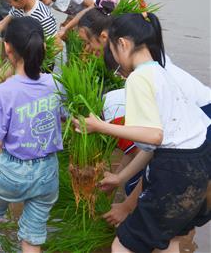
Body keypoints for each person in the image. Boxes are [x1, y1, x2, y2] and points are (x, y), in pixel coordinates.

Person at [73, 13, 210, 253]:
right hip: (201, 160)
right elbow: (155, 144)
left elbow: (154, 136)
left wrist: (100, 126)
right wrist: (119, 177)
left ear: (122, 44)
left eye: (113, 51)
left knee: (123, 245)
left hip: (176, 169)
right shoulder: (162, 71)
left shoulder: (138, 78)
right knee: (171, 238)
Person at [0, 17, 63, 253]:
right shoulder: (56, 84)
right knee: (33, 234)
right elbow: (64, 117)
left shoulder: (1, 93)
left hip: (12, 170)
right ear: (43, 48)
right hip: (47, 172)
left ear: (7, 48)